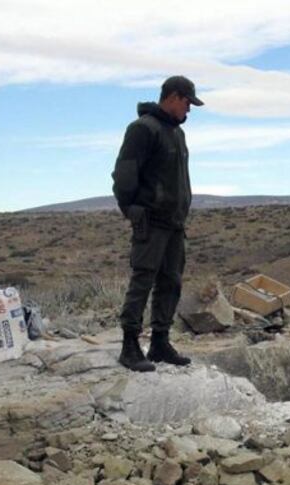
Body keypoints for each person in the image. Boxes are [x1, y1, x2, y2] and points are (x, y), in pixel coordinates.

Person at [112, 75, 203, 372]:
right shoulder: (143, 129)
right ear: (174, 97)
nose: (188, 111)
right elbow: (124, 176)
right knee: (143, 279)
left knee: (170, 281)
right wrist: (133, 210)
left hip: (174, 222)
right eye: (187, 103)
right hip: (151, 220)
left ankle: (160, 343)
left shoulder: (176, 133)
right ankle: (129, 345)